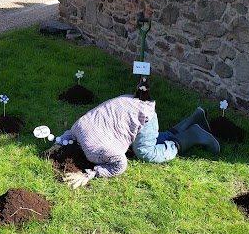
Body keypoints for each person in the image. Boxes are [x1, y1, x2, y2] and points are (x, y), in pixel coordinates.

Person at [46, 77, 220, 188]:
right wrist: (58, 143)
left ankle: (191, 137)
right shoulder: (78, 129)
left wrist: (90, 174)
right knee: (144, 141)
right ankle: (192, 120)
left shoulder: (95, 153)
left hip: (143, 116)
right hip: (127, 103)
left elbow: (120, 165)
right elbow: (70, 134)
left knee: (144, 152)